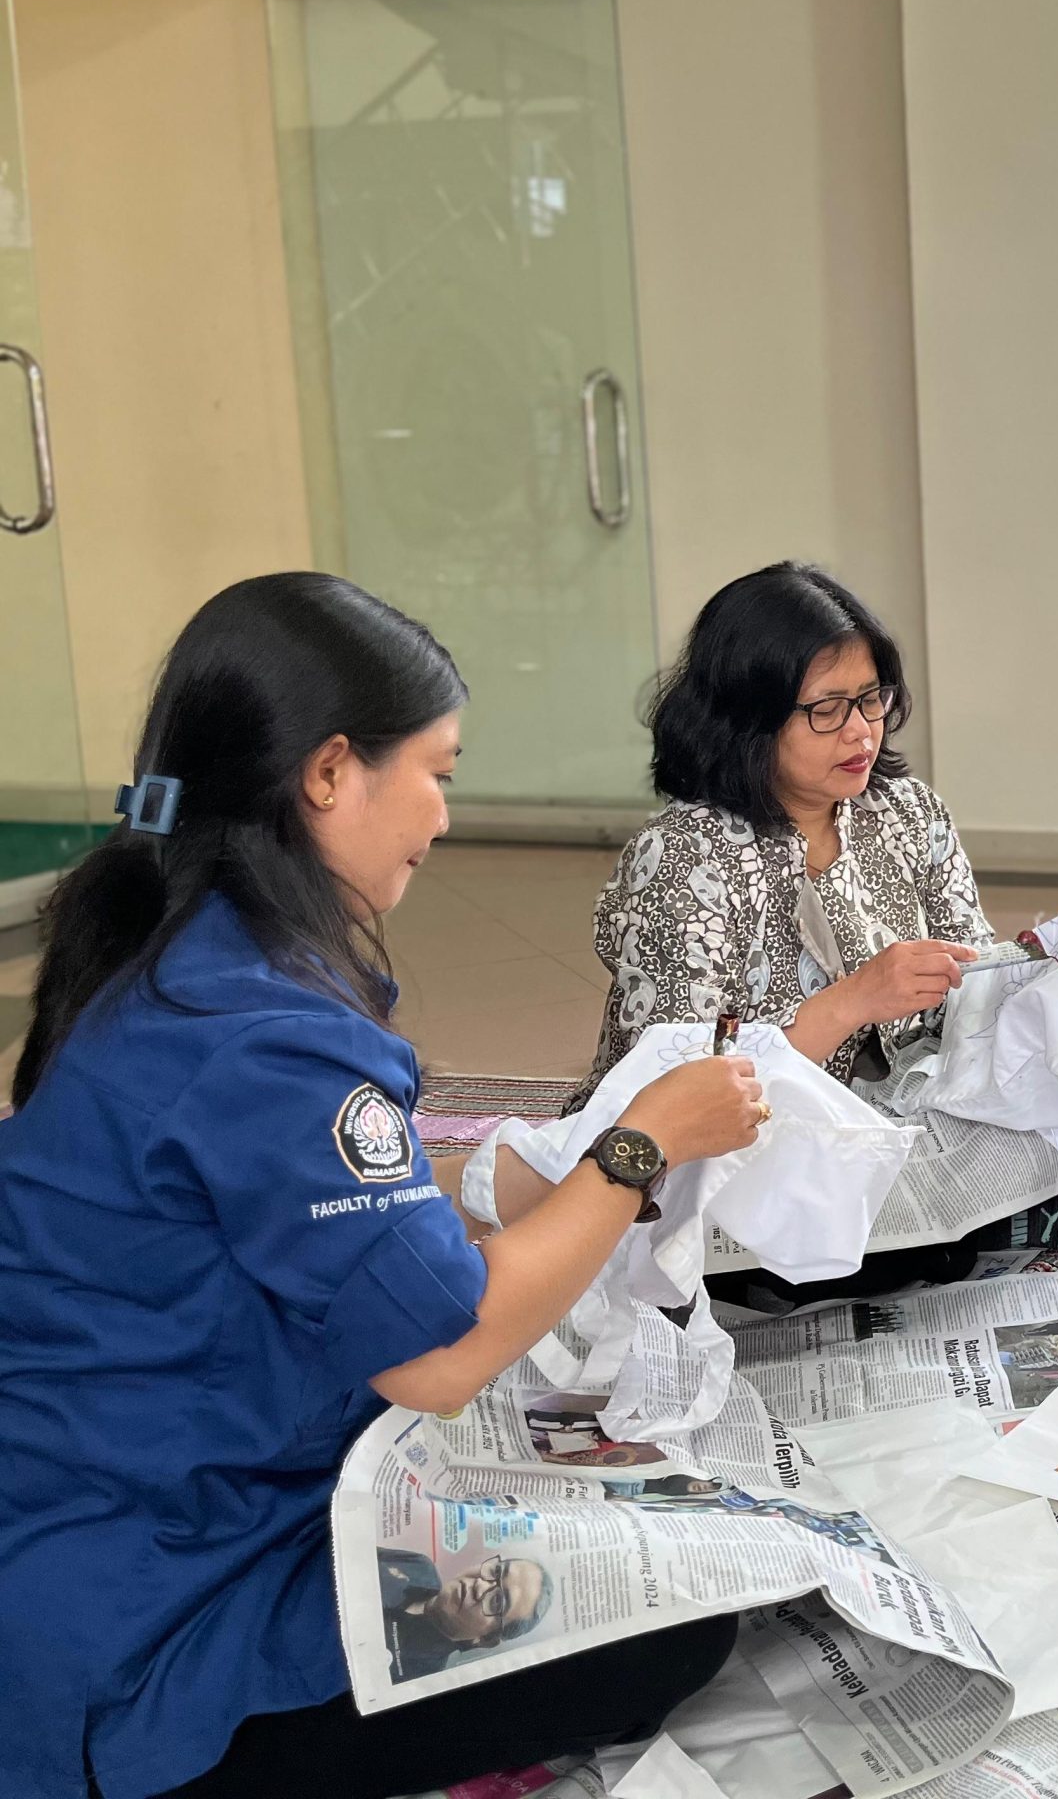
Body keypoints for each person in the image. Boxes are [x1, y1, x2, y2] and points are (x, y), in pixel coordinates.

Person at [0, 574, 765, 1799]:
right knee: (680, 1609)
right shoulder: (271, 1030)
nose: (444, 817)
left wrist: (501, 1176)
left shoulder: (177, 943)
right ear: (328, 771)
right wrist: (637, 1149)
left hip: (89, 1494)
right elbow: (445, 1354)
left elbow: (276, 1197)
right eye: (440, 771)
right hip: (150, 1610)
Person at [565, 561, 1058, 1295]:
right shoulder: (686, 854)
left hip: (873, 1130)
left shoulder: (906, 812)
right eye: (826, 709)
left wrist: (1028, 978)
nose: (862, 731)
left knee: (1040, 1153)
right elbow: (679, 1090)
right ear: (745, 716)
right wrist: (851, 1003)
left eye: (872, 699)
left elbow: (972, 979)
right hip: (706, 1160)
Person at [378, 1550, 550, 1684]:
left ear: (486, 1640)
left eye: (497, 1601)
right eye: (496, 1570)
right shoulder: (420, 1566)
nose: (480, 1585)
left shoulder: (421, 1675)